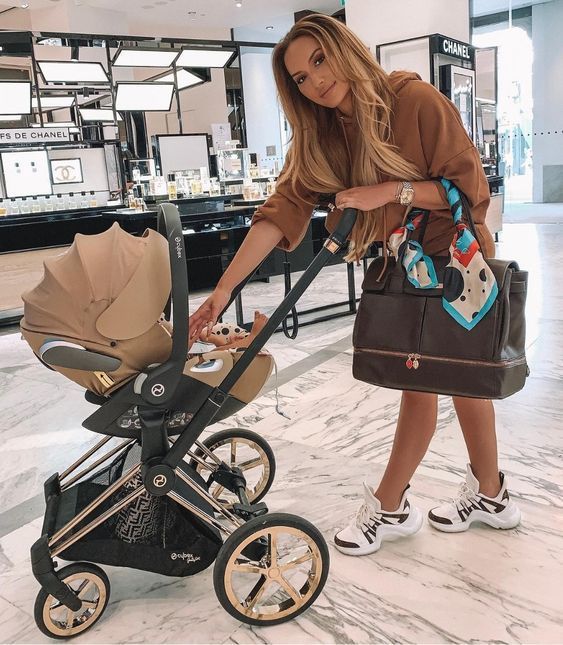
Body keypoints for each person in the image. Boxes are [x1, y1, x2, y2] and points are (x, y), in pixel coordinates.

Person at [189, 14, 521, 556]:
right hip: (407, 262)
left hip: (457, 257)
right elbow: (282, 212)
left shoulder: (412, 101)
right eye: (299, 77)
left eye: (319, 60)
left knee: (439, 380)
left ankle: (390, 507)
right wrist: (224, 290)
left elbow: (468, 188)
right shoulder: (320, 136)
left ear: (344, 48)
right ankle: (493, 496)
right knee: (458, 377)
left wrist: (389, 191)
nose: (315, 81)